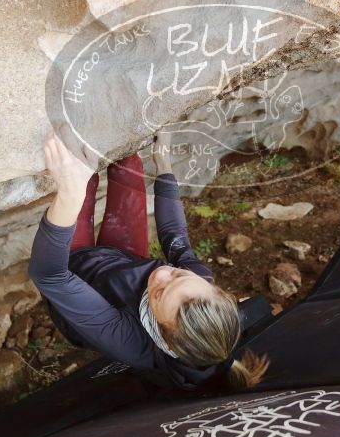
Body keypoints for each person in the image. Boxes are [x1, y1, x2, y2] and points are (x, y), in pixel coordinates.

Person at [27, 126, 270, 391]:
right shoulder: (198, 285)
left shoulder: (130, 342)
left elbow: (51, 275)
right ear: (215, 290)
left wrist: (70, 195)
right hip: (123, 260)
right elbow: (174, 235)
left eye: (159, 293)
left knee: (83, 176)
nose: (163, 273)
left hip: (71, 269)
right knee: (128, 163)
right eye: (179, 274)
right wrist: (162, 159)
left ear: (164, 340)